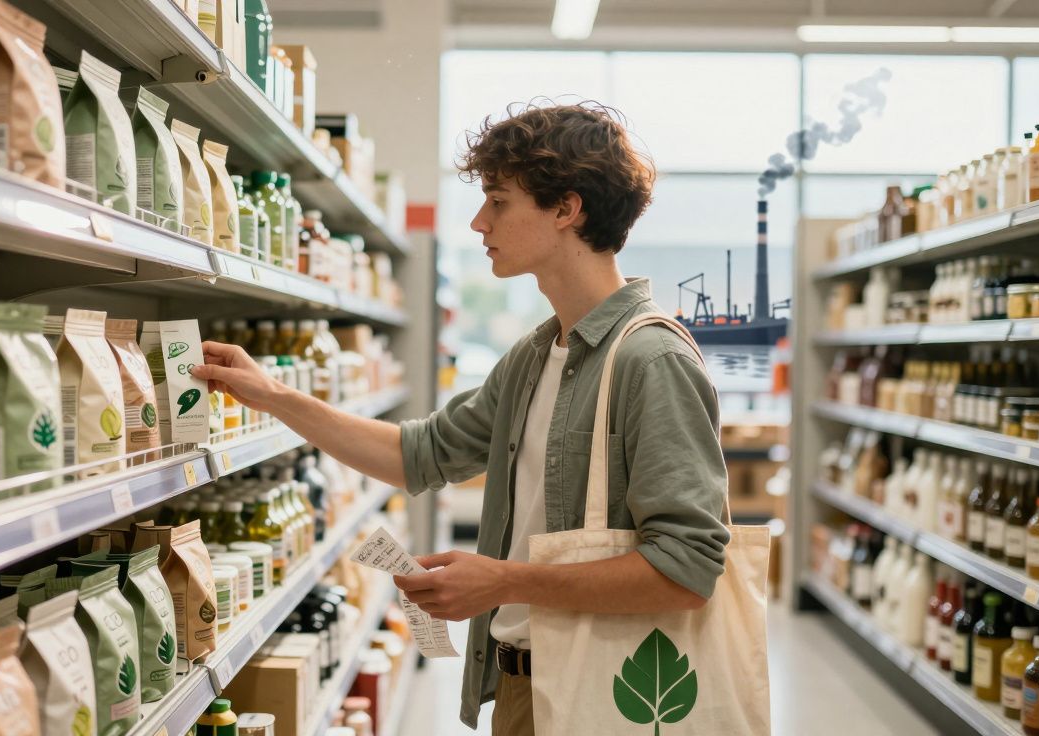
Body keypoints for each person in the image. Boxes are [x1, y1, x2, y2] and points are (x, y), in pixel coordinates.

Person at [192, 101, 729, 736]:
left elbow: (687, 570)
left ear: (566, 208)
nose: (479, 222)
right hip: (523, 682)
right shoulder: (534, 356)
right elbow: (416, 455)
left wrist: (501, 581)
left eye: (498, 201)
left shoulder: (651, 359)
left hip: (613, 692)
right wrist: (275, 395)